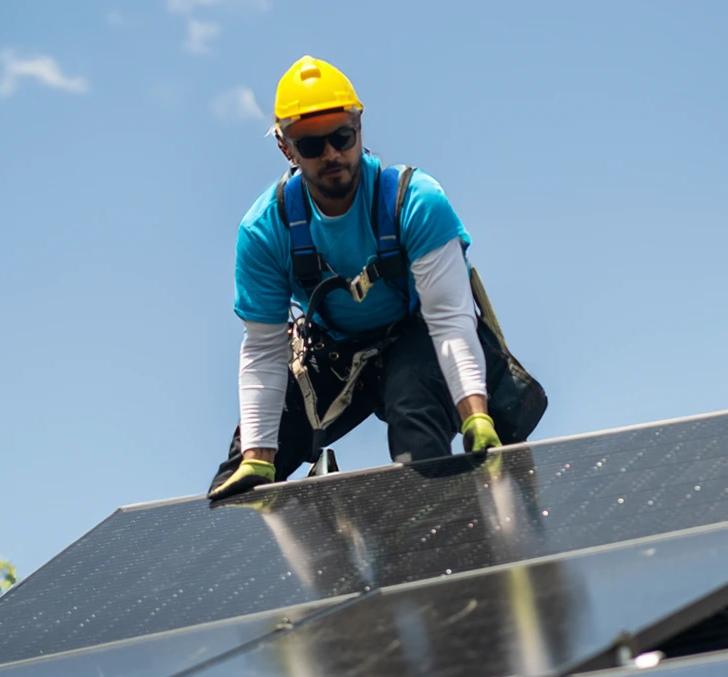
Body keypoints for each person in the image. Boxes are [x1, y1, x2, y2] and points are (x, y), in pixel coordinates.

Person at [207, 55, 505, 502]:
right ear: (286, 149)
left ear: (359, 127)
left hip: (414, 335)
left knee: (415, 415)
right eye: (311, 145)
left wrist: (475, 416)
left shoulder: (415, 200)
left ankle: (440, 554)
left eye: (342, 136)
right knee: (238, 487)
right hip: (331, 351)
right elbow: (265, 350)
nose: (331, 154)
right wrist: (257, 459)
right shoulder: (264, 230)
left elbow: (448, 319)